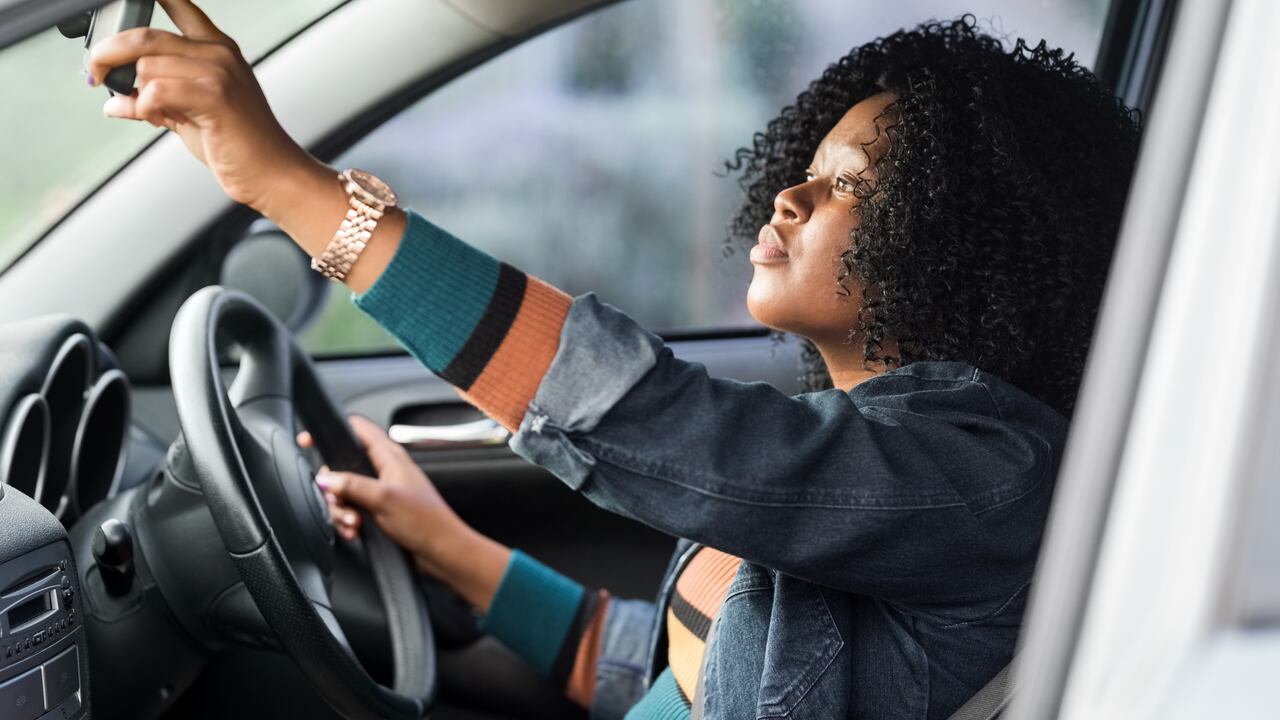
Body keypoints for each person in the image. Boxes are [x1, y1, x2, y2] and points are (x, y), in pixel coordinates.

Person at [90, 2, 1141, 717]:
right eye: (804, 172)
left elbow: (646, 418)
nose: (789, 198)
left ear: (959, 236)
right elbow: (648, 661)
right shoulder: (858, 468)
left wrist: (286, 182)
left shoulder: (982, 479)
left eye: (851, 186)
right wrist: (443, 540)